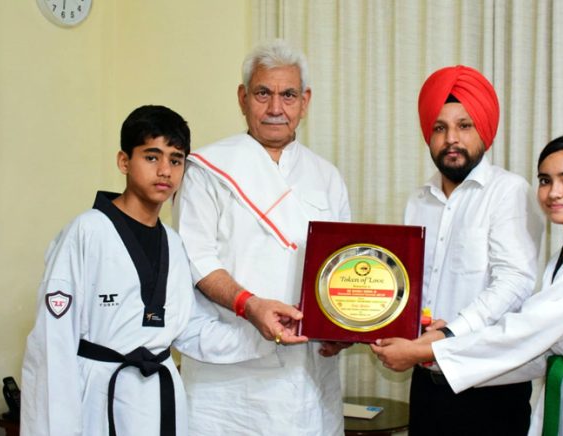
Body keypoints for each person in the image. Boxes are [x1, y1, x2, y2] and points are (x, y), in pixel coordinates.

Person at [371, 134, 563, 435]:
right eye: (545, 180)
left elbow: (529, 329)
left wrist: (435, 349)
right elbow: (537, 349)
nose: (554, 192)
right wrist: (444, 351)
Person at [20, 105, 246, 435]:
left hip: (159, 399)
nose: (165, 171)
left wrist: (269, 334)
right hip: (99, 398)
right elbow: (52, 348)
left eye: (176, 159)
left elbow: (191, 330)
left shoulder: (174, 243)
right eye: (152, 157)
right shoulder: (86, 233)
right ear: (124, 161)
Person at [172, 39, 351, 435]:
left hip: (308, 374)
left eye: (288, 95)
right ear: (242, 98)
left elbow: (344, 268)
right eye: (263, 94)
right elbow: (194, 258)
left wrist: (344, 328)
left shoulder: (327, 176)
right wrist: (249, 305)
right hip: (232, 375)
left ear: (304, 101)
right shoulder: (207, 169)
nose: (275, 108)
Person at [388, 65, 543, 435]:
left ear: (484, 132)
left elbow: (515, 282)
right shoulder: (418, 201)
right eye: (440, 128)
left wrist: (448, 336)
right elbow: (408, 285)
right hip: (427, 385)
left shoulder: (508, 191)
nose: (451, 139)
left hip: (490, 389)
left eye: (464, 125)